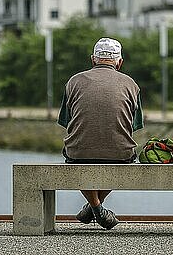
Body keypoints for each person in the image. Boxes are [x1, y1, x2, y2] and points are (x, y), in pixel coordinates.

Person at [57, 37, 144, 230]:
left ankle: (93, 208)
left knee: (76, 156)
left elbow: (66, 121)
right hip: (120, 155)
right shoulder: (131, 84)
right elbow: (135, 126)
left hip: (78, 154)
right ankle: (97, 208)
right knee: (122, 153)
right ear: (119, 63)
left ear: (92, 59)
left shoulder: (74, 81)